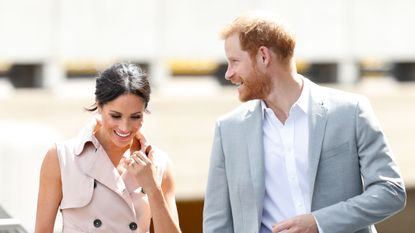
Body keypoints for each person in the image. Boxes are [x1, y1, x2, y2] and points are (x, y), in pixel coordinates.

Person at [203, 12, 406, 233]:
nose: (228, 74)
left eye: (234, 61)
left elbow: (390, 191)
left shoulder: (350, 112)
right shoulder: (229, 129)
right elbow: (217, 225)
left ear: (263, 56)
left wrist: (319, 223)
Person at [35, 63, 181, 233]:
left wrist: (152, 188)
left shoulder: (159, 163)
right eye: (115, 116)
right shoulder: (61, 157)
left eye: (135, 117)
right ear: (99, 106)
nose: (125, 127)